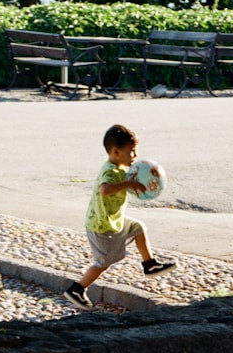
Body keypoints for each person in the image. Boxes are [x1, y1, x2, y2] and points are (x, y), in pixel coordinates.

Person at [63, 124, 175, 310]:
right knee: (103, 263)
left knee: (138, 228)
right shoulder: (110, 171)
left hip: (113, 220)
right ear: (116, 152)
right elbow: (105, 189)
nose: (135, 156)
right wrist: (128, 183)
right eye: (132, 151)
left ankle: (149, 264)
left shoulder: (121, 169)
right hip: (101, 226)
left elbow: (135, 180)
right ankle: (77, 289)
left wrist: (146, 178)